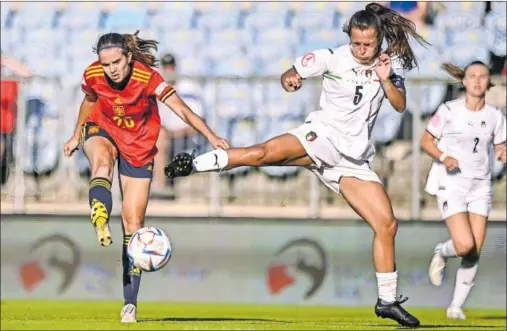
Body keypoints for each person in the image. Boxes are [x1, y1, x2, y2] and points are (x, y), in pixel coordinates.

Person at [165, 3, 429, 328]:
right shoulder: (330, 57)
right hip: (320, 136)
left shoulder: (389, 64)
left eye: (368, 44)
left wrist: (386, 79)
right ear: (350, 38)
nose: (362, 50)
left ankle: (387, 301)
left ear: (378, 39)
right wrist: (290, 80)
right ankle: (194, 163)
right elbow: (290, 74)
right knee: (262, 153)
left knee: (387, 224)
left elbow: (400, 105)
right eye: (357, 43)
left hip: (352, 160)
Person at [62, 31, 228, 323]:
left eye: (116, 62)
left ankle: (130, 305)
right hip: (102, 129)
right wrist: (77, 134)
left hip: (139, 146)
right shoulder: (92, 74)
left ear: (128, 57)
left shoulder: (147, 78)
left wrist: (211, 136)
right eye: (105, 64)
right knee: (101, 163)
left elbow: (182, 109)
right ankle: (99, 213)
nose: (111, 69)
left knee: (134, 225)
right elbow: (89, 102)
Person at [421, 61, 506, 320]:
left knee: (474, 250)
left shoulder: (495, 116)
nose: (478, 81)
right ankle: (442, 251)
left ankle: (455, 306)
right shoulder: (449, 110)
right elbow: (426, 142)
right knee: (464, 244)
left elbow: (501, 145)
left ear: (488, 82)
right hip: (452, 183)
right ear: (465, 81)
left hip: (480, 185)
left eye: (482, 76)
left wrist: (502, 153)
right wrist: (444, 156)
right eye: (472, 76)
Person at [152, 52, 204, 194]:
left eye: (171, 67)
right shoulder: (156, 88)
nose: (169, 71)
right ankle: (158, 185)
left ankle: (161, 186)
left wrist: (174, 133)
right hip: (163, 135)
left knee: (161, 136)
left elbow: (196, 124)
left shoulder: (188, 88)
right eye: (165, 67)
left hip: (185, 136)